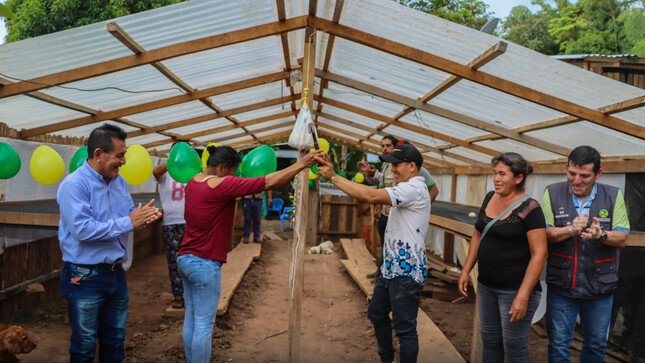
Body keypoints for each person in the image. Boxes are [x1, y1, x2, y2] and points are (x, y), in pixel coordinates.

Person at [177, 145, 321, 363]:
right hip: (204, 264)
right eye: (234, 171)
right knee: (204, 325)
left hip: (184, 258)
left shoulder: (193, 182)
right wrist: (302, 164)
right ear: (223, 168)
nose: (236, 176)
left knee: (191, 319)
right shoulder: (223, 184)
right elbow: (268, 182)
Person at [316, 143, 430, 363]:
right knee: (377, 313)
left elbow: (369, 195)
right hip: (391, 266)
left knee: (405, 329)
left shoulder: (413, 188)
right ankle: (388, 359)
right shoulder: (407, 186)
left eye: (397, 165)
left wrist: (333, 177)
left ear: (413, 166)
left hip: (406, 269)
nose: (393, 169)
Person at [57, 123, 162, 362]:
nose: (124, 161)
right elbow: (83, 230)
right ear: (98, 155)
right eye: (120, 155)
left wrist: (143, 219)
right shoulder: (75, 185)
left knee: (114, 340)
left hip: (115, 274)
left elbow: (127, 217)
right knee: (84, 344)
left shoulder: (118, 182)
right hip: (83, 276)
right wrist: (129, 221)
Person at [542, 146, 629, 363]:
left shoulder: (613, 195)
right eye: (572, 173)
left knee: (596, 344)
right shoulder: (552, 192)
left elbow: (622, 237)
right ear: (567, 168)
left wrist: (601, 234)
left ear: (598, 174)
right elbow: (543, 233)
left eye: (585, 176)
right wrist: (570, 230)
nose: (577, 180)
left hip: (600, 287)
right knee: (559, 344)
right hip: (562, 285)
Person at [458, 152, 547, 362]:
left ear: (518, 178)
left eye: (502, 174)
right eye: (494, 173)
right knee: (490, 341)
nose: (496, 178)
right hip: (487, 285)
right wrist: (465, 270)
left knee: (514, 346)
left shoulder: (531, 209)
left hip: (514, 290)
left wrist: (523, 296)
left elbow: (539, 253)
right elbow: (478, 234)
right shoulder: (489, 197)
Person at [358, 136, 438, 278]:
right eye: (383, 146)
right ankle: (382, 274)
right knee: (385, 245)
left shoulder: (418, 173)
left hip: (407, 263)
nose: (385, 148)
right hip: (387, 214)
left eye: (388, 146)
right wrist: (378, 206)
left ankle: (387, 276)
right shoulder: (387, 166)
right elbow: (382, 187)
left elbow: (434, 189)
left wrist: (420, 208)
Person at [153, 161, 186, 309]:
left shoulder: (191, 170)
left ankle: (192, 294)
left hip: (192, 222)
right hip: (171, 223)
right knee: (174, 261)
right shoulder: (165, 174)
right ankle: (178, 296)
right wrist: (175, 158)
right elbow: (155, 172)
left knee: (193, 259)